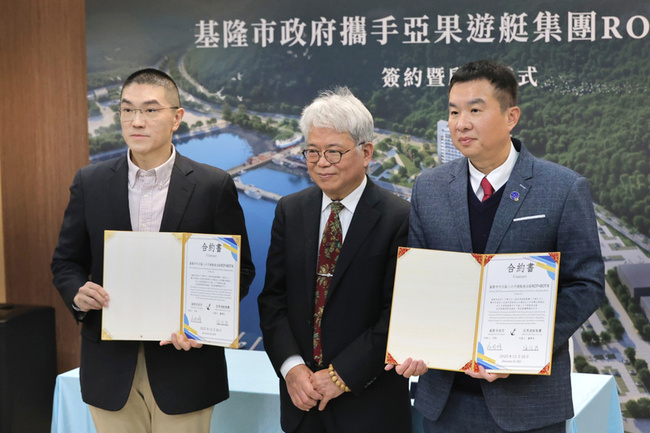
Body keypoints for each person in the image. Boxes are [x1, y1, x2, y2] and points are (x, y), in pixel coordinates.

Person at [389, 59, 605, 432]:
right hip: (446, 401)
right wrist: (415, 343)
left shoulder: (563, 188)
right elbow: (420, 283)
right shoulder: (429, 187)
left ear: (511, 117)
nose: (461, 123)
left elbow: (585, 283)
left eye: (475, 110)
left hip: (528, 403)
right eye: (453, 112)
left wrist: (521, 352)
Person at [51, 68, 255, 433]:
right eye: (127, 110)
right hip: (110, 366)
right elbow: (66, 261)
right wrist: (77, 293)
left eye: (150, 110)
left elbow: (239, 270)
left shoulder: (212, 185)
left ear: (177, 117)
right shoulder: (90, 182)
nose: (136, 121)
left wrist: (201, 324)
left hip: (185, 365)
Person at [258, 87, 412, 432]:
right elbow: (273, 300)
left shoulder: (399, 218)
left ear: (366, 152)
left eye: (333, 152)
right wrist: (291, 368)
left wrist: (342, 375)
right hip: (302, 402)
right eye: (312, 152)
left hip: (370, 406)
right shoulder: (290, 210)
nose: (321, 162)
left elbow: (397, 314)